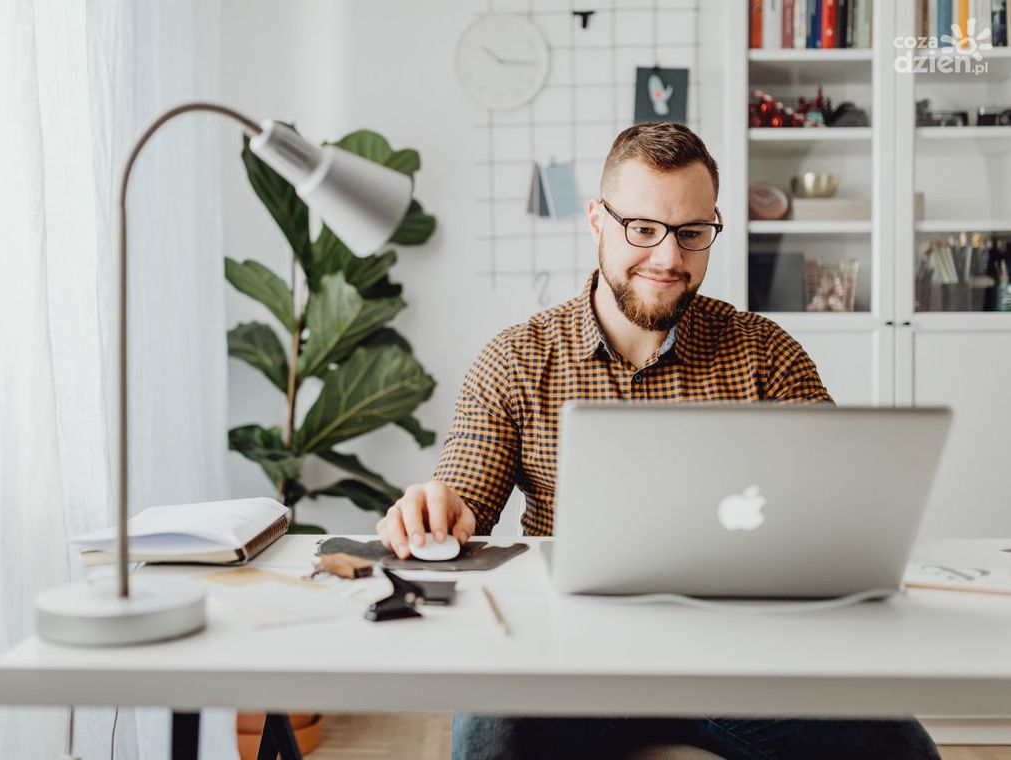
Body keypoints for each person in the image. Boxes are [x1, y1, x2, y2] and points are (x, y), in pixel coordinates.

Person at [375, 122, 940, 759]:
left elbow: (840, 510)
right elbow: (462, 498)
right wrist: (437, 510)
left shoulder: (766, 355)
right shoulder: (517, 358)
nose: (669, 258)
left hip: (747, 653)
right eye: (643, 229)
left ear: (713, 229)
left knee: (901, 752)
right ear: (597, 221)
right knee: (494, 747)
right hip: (568, 655)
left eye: (692, 233)